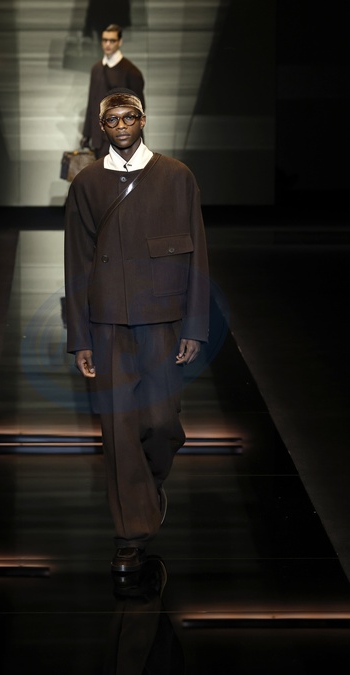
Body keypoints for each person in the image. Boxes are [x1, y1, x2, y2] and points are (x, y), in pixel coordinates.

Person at [64, 88, 209, 574]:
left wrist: (195, 326)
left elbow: (197, 254)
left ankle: (149, 487)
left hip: (163, 318)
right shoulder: (87, 183)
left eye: (130, 117)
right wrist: (80, 337)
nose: (122, 125)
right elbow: (76, 264)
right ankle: (131, 533)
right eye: (113, 119)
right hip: (106, 322)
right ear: (102, 126)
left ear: (143, 120)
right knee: (119, 430)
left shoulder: (177, 176)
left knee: (162, 423)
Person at [81, 24, 145, 159]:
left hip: (122, 139)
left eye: (112, 40)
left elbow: (139, 109)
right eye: (105, 40)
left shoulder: (131, 72)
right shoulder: (96, 69)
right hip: (98, 140)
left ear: (120, 42)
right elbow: (92, 103)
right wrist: (86, 134)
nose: (108, 44)